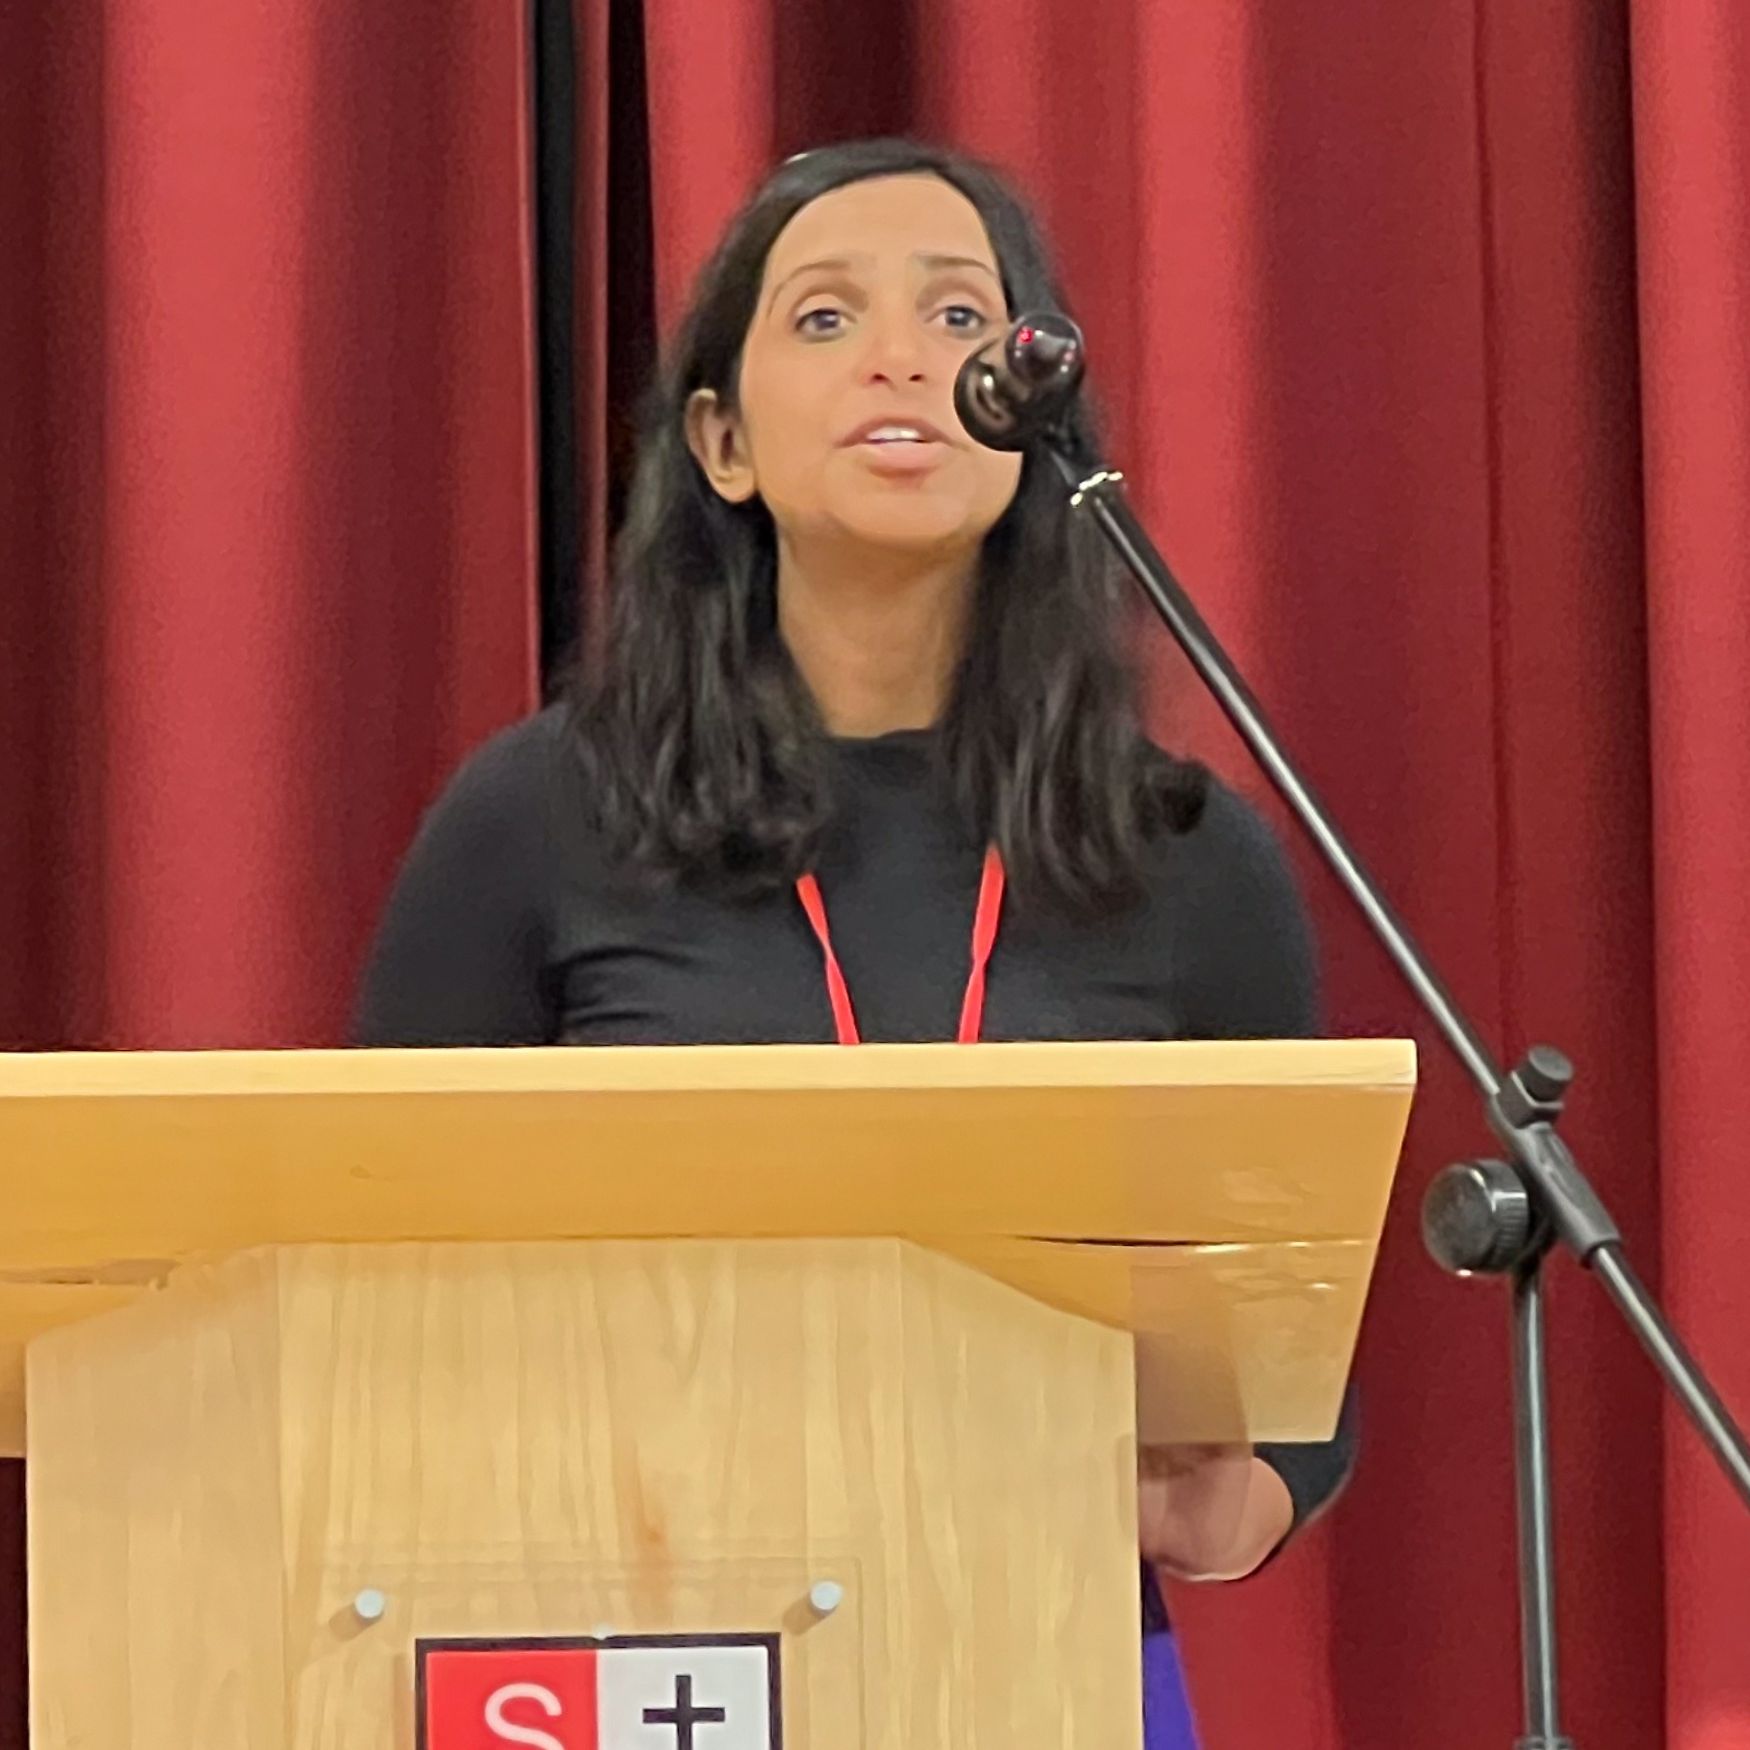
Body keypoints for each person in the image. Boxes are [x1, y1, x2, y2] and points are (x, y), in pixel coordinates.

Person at [354, 136, 1355, 1750]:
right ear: (721, 441)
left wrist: (1233, 1498)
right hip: (627, 1642)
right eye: (826, 317)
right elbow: (368, 1272)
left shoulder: (1180, 853)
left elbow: (1302, 1338)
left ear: (1028, 421)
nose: (903, 356)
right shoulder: (537, 819)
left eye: (960, 318)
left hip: (1038, 1639)